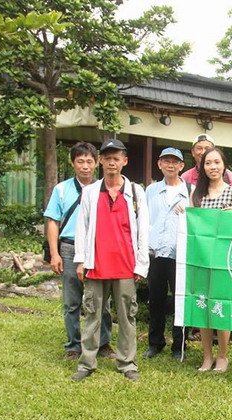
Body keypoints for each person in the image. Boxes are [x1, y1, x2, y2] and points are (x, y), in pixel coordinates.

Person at [72, 139, 149, 382]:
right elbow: (82, 228)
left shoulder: (136, 192)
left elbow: (144, 230)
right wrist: (81, 260)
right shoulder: (90, 192)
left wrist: (141, 264)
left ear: (124, 161)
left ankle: (127, 363)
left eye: (117, 158)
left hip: (126, 264)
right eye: (107, 158)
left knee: (127, 315)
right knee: (93, 313)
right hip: (97, 263)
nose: (112, 162)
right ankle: (87, 363)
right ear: (101, 161)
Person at [44, 142, 116, 360]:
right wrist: (55, 253)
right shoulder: (61, 189)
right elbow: (52, 221)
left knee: (101, 300)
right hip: (69, 247)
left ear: (97, 163)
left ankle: (103, 344)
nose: (85, 166)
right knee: (71, 300)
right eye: (80, 161)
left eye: (89, 161)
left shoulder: (104, 189)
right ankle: (73, 346)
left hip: (97, 248)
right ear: (73, 163)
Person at [191, 147, 232, 372]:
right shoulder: (197, 194)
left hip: (226, 260)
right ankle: (207, 356)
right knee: (203, 305)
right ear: (202, 167)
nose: (212, 167)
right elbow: (192, 226)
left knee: (222, 306)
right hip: (202, 258)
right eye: (208, 163)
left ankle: (222, 356)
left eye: (216, 162)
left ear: (224, 165)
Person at [144, 147, 193, 360]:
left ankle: (179, 345)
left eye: (175, 162)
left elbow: (197, 221)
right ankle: (155, 343)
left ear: (182, 166)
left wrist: (188, 214)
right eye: (166, 161)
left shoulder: (191, 191)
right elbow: (145, 220)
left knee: (180, 300)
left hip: (180, 254)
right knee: (155, 299)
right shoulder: (151, 190)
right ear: (159, 164)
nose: (170, 165)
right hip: (156, 253)